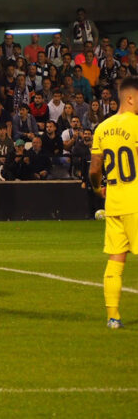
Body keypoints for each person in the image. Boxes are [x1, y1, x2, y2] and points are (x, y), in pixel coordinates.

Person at [88, 76, 138, 329]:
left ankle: (113, 317)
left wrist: (98, 189)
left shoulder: (102, 128)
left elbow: (95, 169)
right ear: (130, 97)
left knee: (115, 260)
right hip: (137, 202)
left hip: (114, 204)